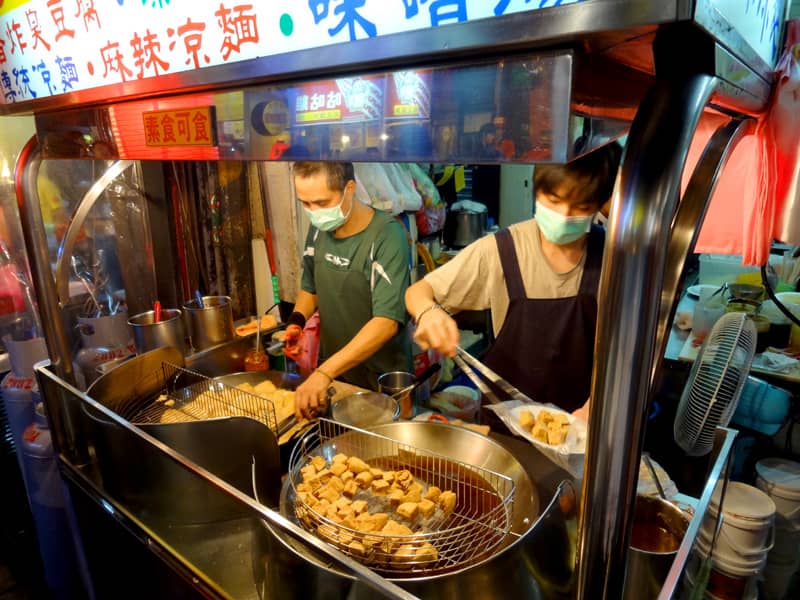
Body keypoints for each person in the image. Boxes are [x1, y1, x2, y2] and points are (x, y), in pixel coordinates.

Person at [405, 142, 623, 418]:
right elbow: (417, 292)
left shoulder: (613, 257)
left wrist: (595, 410)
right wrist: (429, 312)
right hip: (506, 427)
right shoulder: (502, 250)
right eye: (554, 201)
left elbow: (629, 351)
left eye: (580, 207)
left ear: (599, 206)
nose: (564, 216)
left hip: (581, 425)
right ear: (537, 189)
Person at [285, 162, 412, 419]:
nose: (314, 212)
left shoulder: (387, 236)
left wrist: (324, 373)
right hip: (337, 375)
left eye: (321, 203)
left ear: (349, 188)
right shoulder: (319, 230)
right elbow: (310, 288)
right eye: (305, 204)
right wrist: (296, 321)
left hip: (382, 380)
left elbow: (386, 322)